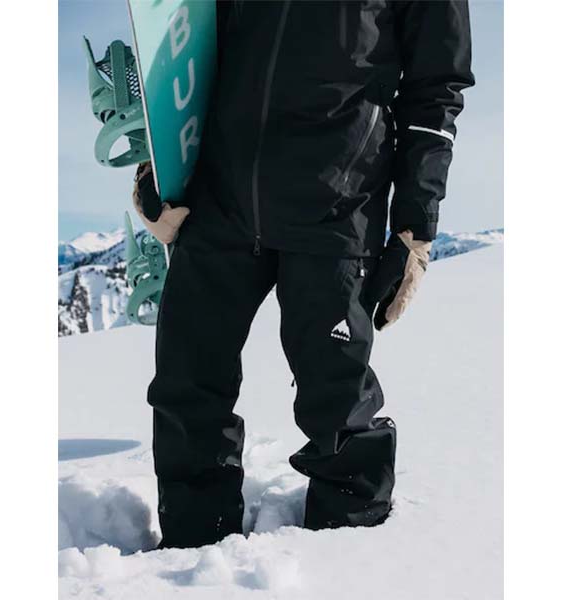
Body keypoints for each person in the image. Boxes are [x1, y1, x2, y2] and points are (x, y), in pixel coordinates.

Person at [133, 0, 475, 549]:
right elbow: (186, 48)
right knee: (186, 384)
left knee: (336, 397)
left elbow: (436, 91)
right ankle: (189, 552)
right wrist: (162, 168)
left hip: (337, 202)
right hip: (221, 198)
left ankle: (347, 556)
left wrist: (416, 222)